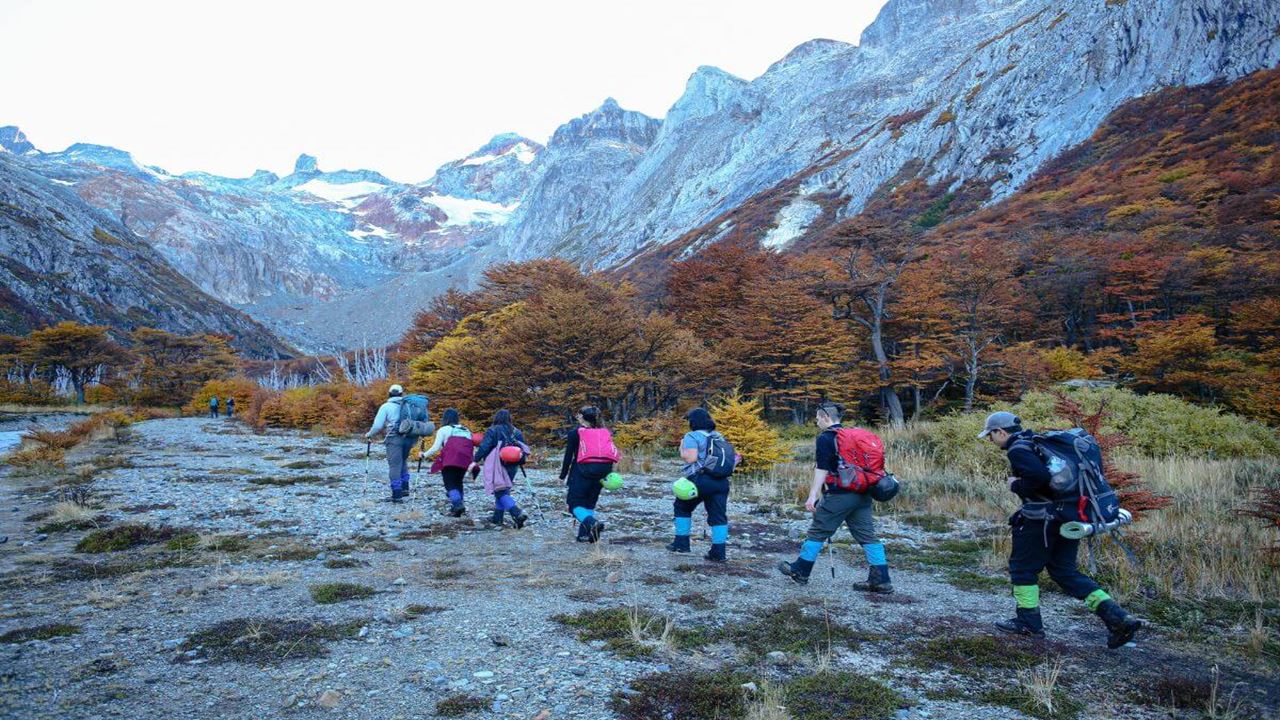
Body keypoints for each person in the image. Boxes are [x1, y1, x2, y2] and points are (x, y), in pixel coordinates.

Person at [979, 411, 1143, 648]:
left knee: (1023, 569)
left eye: (990, 435)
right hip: (1068, 517)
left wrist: (1017, 485)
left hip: (1040, 521)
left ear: (1001, 432)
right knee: (1065, 571)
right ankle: (1117, 617)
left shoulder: (1017, 449)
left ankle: (1028, 623)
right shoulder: (1036, 442)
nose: (990, 440)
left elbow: (1038, 477)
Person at [778, 402, 893, 592]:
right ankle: (881, 580)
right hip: (863, 493)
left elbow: (822, 468)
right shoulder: (852, 436)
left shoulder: (826, 438)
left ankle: (800, 570)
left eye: (817, 419)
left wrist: (812, 495)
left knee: (817, 531)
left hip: (840, 494)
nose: (816, 422)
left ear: (825, 417)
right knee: (867, 536)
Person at [668, 407, 733, 562]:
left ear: (693, 422)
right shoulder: (718, 436)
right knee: (718, 516)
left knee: (682, 506)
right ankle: (719, 553)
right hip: (721, 481)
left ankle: (681, 544)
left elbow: (690, 458)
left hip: (700, 479)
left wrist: (682, 447)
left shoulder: (692, 436)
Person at [559, 405, 619, 543]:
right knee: (590, 503)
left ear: (581, 417)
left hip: (581, 471)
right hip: (603, 471)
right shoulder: (604, 432)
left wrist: (562, 476)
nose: (577, 416)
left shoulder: (575, 433)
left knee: (574, 504)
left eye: (578, 414)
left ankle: (592, 523)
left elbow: (568, 457)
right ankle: (585, 535)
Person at [472, 409, 530, 529]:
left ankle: (517, 512)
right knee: (504, 490)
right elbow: (523, 447)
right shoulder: (516, 431)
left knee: (499, 491)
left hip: (497, 464)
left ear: (496, 418)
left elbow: (484, 447)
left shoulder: (493, 430)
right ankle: (497, 518)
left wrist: (474, 460)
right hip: (513, 465)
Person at [364, 384, 415, 503]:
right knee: (403, 461)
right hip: (410, 438)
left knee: (394, 465)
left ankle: (397, 495)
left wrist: (369, 434)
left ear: (389, 393)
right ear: (402, 394)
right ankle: (405, 488)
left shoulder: (386, 406)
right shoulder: (409, 405)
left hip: (394, 438)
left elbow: (377, 426)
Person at [421, 408, 474, 517]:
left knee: (450, 484)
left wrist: (424, 455)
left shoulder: (443, 430)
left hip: (450, 461)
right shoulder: (466, 430)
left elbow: (436, 447)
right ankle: (457, 507)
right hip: (464, 461)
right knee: (458, 482)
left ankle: (458, 505)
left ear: (445, 418)